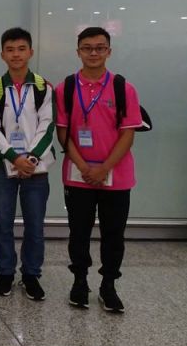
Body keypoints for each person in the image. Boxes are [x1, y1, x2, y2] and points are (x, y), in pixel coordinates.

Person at [55, 27, 143, 313]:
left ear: (109, 51)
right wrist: (84, 167)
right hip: (78, 175)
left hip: (116, 176)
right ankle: (80, 282)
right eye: (87, 48)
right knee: (78, 232)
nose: (93, 53)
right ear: (78, 51)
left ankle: (108, 285)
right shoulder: (66, 88)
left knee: (113, 233)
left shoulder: (123, 88)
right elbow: (63, 132)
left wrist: (104, 168)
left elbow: (128, 134)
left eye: (100, 47)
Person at [0, 27, 55, 301]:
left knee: (35, 225)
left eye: (21, 49)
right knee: (3, 223)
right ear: (2, 54)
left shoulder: (42, 87)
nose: (16, 54)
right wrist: (14, 157)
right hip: (3, 166)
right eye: (10, 50)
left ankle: (31, 274)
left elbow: (48, 126)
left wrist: (31, 159)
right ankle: (5, 272)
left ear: (31, 52)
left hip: (36, 168)